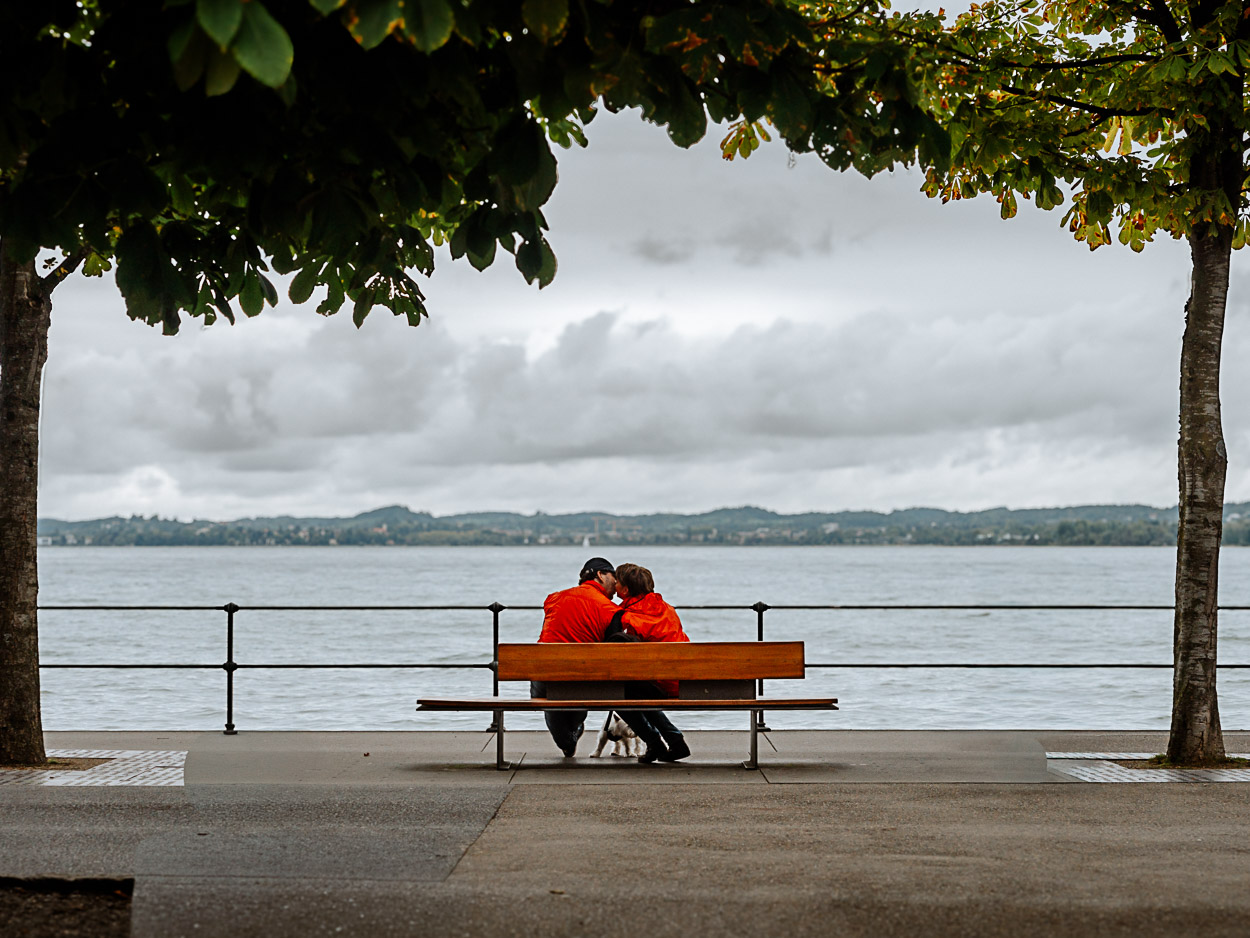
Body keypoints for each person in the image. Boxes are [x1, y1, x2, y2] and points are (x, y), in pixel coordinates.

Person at [606, 562, 692, 763]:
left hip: (658, 682)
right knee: (638, 689)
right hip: (680, 677)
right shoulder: (667, 609)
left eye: (617, 582)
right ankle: (673, 741)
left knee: (619, 695)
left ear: (625, 590)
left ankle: (656, 742)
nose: (615, 584)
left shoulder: (626, 617)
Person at [533, 557, 620, 757]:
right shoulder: (611, 610)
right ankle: (572, 732)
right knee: (579, 692)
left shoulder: (553, 598)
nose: (616, 584)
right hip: (582, 677)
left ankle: (568, 739)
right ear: (600, 575)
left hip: (543, 675)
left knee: (552, 695)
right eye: (613, 577)